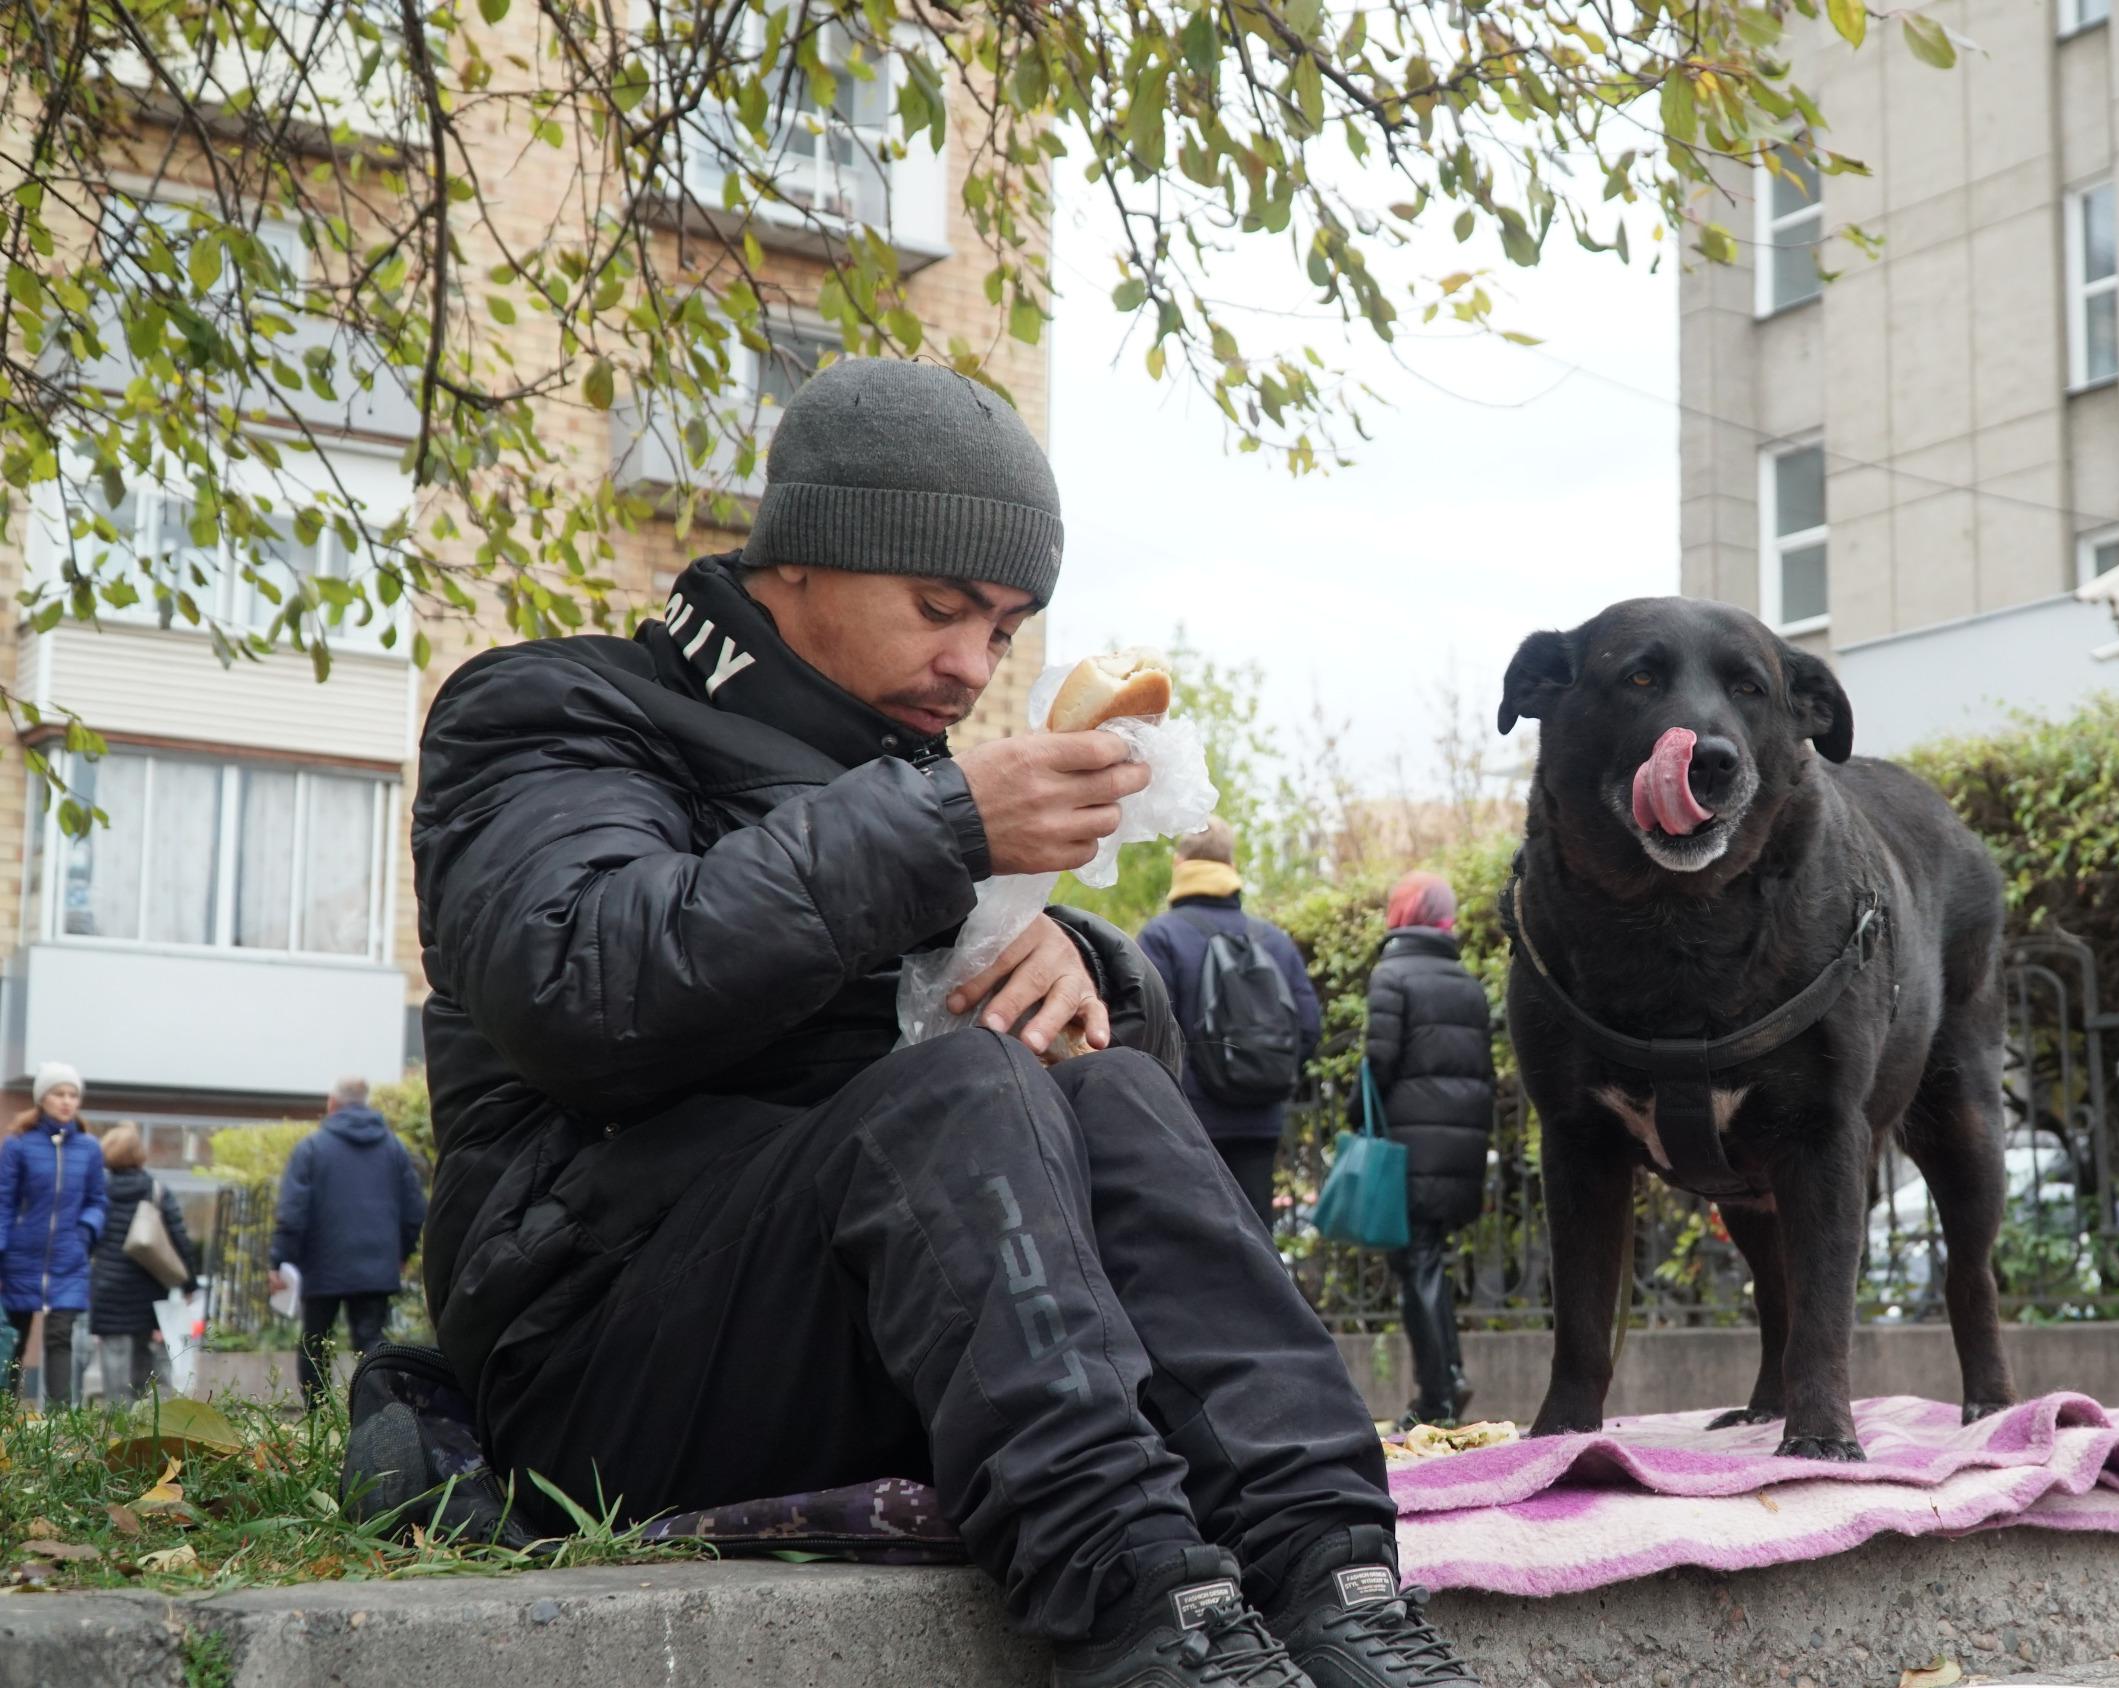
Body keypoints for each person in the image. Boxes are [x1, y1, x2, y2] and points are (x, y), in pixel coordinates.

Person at [407, 359, 1474, 1688]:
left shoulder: (906, 789)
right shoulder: (555, 712)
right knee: (958, 1091)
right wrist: (944, 832)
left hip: (884, 1348)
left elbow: (1089, 1121)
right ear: (797, 558)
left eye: (1006, 628)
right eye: (938, 608)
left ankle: (1339, 1583)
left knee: (1115, 1093)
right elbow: (582, 987)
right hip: (603, 1363)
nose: (972, 665)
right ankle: (1147, 1618)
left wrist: (1088, 972)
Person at [1356, 873, 1495, 1431]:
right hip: (1458, 1147)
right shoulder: (1467, 981)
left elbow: (1378, 1062)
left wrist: (1354, 1115)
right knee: (1428, 1258)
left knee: (1415, 1264)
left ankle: (1437, 1396)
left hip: (1409, 1147)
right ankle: (1448, 1377)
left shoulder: (1392, 975)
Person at [1137, 820, 1324, 1218]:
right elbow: (1308, 1025)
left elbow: (1146, 1031)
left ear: (1179, 863)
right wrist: (1266, 1077)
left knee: (1195, 1241)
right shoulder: (1273, 940)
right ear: (1231, 864)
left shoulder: (1161, 937)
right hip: (1261, 1117)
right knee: (1256, 1237)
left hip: (1191, 1121)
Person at [270, 1078, 426, 1403]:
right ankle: (379, 1414)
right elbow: (415, 1209)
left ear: (331, 1104)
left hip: (322, 1265)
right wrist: (402, 1252)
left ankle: (318, 1419)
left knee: (315, 1345)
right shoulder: (394, 1149)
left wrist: (280, 1260)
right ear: (366, 1103)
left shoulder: (311, 1149)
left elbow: (293, 1211)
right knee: (371, 1343)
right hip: (376, 1268)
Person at [0, 1063, 108, 1407]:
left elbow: (97, 1201)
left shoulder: (89, 1148)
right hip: (21, 1256)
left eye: (72, 1095)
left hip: (68, 1256)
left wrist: (85, 1233)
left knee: (60, 1334)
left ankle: (61, 1424)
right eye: (58, 1093)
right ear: (42, 1099)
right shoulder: (18, 1145)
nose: (66, 1101)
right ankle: (6, 1414)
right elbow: (4, 1201)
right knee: (16, 1336)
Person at [90, 1122, 199, 1401]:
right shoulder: (156, 1191)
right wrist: (189, 1284)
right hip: (146, 1288)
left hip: (107, 1288)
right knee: (145, 1357)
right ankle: (145, 1427)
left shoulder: (97, 1192)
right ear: (140, 1154)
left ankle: (116, 1426)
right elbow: (179, 1238)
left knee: (114, 1359)